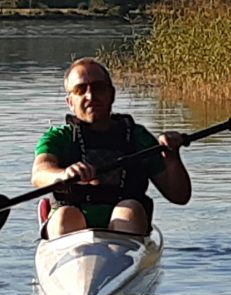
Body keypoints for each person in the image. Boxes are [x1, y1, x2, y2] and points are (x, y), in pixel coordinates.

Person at [33, 58, 189, 238]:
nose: (90, 96)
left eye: (98, 88)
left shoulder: (138, 137)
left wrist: (172, 157)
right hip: (70, 222)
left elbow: (179, 196)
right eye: (80, 90)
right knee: (66, 216)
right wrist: (63, 174)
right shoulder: (57, 137)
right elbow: (39, 173)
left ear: (112, 95)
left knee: (129, 210)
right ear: (70, 101)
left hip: (126, 226)